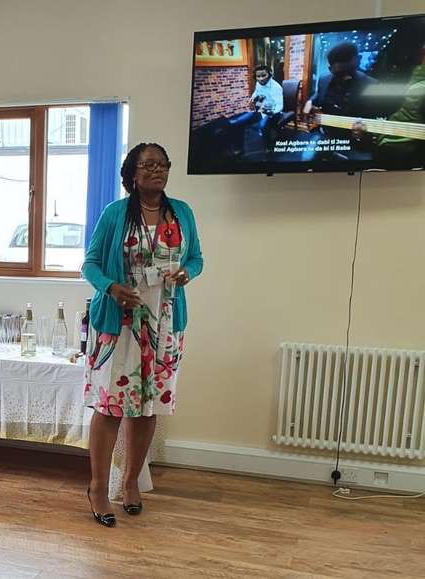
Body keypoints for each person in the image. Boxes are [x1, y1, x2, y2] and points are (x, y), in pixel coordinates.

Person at [82, 143, 203, 527]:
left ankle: (131, 483)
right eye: (147, 165)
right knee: (110, 407)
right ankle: (99, 488)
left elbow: (197, 258)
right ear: (132, 173)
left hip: (165, 323)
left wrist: (188, 273)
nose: (156, 170)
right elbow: (90, 263)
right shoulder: (115, 214)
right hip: (119, 324)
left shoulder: (181, 212)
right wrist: (112, 288)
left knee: (148, 407)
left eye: (162, 164)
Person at [228, 65, 285, 155]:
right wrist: (252, 99)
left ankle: (268, 147)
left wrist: (268, 111)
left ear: (269, 74)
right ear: (255, 77)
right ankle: (239, 148)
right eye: (258, 76)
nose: (261, 79)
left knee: (262, 126)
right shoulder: (258, 83)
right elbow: (256, 92)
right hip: (261, 109)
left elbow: (279, 106)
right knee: (238, 122)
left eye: (264, 75)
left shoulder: (276, 87)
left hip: (274, 112)